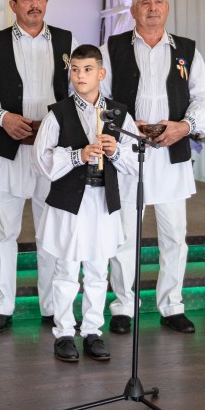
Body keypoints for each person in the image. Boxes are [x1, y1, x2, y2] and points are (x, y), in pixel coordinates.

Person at [0, 0, 78, 334]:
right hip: (7, 149)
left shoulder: (67, 42)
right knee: (4, 233)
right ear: (13, 4)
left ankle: (52, 307)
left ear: (47, 2)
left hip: (53, 153)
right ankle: (2, 308)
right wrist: (3, 117)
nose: (34, 5)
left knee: (51, 232)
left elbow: (83, 88)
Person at [100, 0, 205, 335]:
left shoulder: (187, 50)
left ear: (167, 8)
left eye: (158, 2)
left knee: (174, 236)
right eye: (145, 2)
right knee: (124, 236)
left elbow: (203, 99)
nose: (152, 8)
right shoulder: (111, 49)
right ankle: (123, 305)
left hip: (171, 154)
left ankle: (172, 305)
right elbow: (98, 98)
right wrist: (128, 126)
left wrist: (184, 127)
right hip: (126, 155)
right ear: (133, 10)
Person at [33, 45, 136, 362]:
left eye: (88, 69)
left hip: (102, 202)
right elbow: (41, 160)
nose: (80, 76)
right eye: (75, 70)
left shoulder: (118, 113)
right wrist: (78, 155)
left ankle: (93, 331)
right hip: (69, 203)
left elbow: (134, 160)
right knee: (66, 269)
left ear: (101, 73)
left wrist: (115, 150)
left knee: (97, 270)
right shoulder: (58, 113)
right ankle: (64, 333)